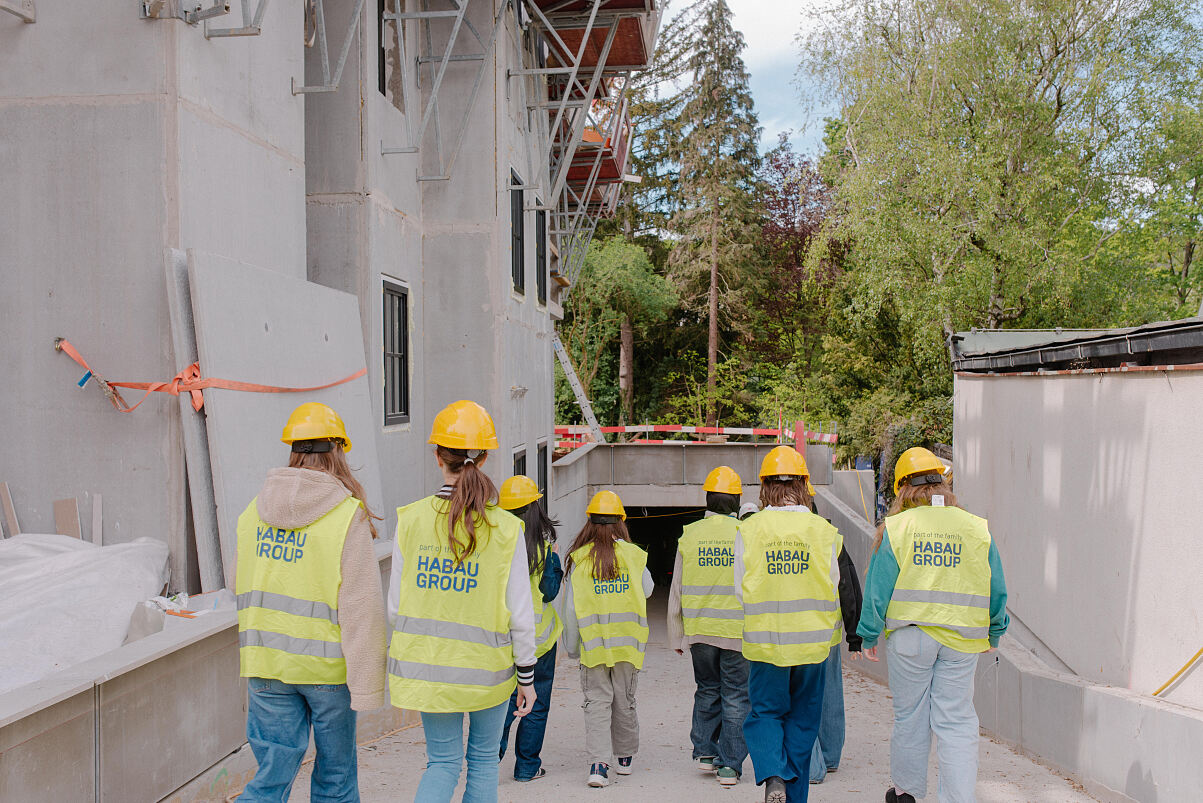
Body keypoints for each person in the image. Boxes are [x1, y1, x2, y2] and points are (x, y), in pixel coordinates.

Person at [235, 402, 387, 803]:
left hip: (266, 663)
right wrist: (367, 687)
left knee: (271, 778)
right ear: (338, 450)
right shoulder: (346, 516)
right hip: (326, 672)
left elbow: (239, 582)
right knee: (335, 780)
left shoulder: (254, 511)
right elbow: (362, 609)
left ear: (293, 449)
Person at [387, 400, 537, 803]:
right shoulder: (506, 528)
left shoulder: (411, 520)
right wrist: (527, 678)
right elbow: (521, 615)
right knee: (484, 760)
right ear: (485, 457)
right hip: (488, 672)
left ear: (438, 456)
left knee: (442, 763)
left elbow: (396, 608)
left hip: (429, 669)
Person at [857, 447, 1009, 803]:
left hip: (911, 638)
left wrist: (868, 633)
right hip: (961, 639)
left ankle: (906, 793)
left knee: (910, 716)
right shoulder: (975, 528)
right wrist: (995, 630)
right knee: (956, 721)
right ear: (943, 483)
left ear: (903, 489)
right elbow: (996, 585)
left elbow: (878, 587)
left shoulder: (898, 528)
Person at [734, 445, 865, 803]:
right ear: (804, 485)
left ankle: (773, 773)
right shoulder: (824, 531)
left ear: (764, 487)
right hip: (812, 645)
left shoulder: (749, 529)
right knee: (803, 721)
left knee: (765, 713)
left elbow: (740, 590)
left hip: (766, 643)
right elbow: (838, 584)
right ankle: (794, 796)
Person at [557, 490, 654, 788]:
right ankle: (624, 757)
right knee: (624, 700)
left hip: (594, 647)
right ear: (621, 521)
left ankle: (599, 766)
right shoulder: (633, 555)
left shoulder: (580, 560)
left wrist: (572, 647)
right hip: (627, 646)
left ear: (590, 522)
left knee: (596, 703)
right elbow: (648, 589)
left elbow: (570, 610)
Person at [666, 465, 750, 786]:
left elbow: (677, 589)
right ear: (737, 500)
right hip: (737, 632)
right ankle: (729, 765)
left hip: (700, 631)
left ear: (708, 500)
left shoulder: (690, 534)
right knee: (736, 696)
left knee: (707, 689)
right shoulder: (746, 533)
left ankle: (704, 752)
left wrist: (677, 634)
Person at [497, 475, 564, 782]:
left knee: (503, 704)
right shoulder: (544, 548)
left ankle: (488, 762)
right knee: (536, 704)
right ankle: (526, 768)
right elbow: (549, 592)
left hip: (503, 639)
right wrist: (554, 559)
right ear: (536, 508)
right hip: (540, 642)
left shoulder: (495, 545)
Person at [807, 500, 864, 785]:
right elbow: (848, 588)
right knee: (829, 694)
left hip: (793, 634)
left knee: (801, 699)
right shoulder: (831, 538)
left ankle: (813, 765)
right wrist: (854, 637)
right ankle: (829, 757)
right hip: (827, 634)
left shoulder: (777, 534)